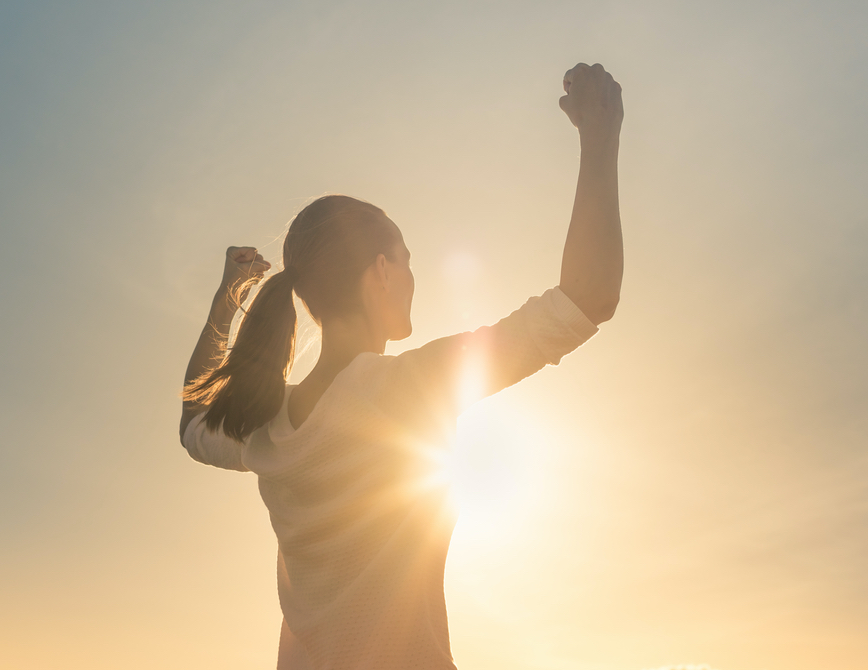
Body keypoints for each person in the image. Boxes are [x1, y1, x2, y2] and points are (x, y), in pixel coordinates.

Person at [178, 63, 623, 669]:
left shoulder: (263, 428)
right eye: (405, 259)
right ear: (381, 273)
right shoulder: (407, 388)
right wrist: (600, 137)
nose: (413, 276)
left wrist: (229, 295)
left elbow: (192, 419)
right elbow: (586, 298)